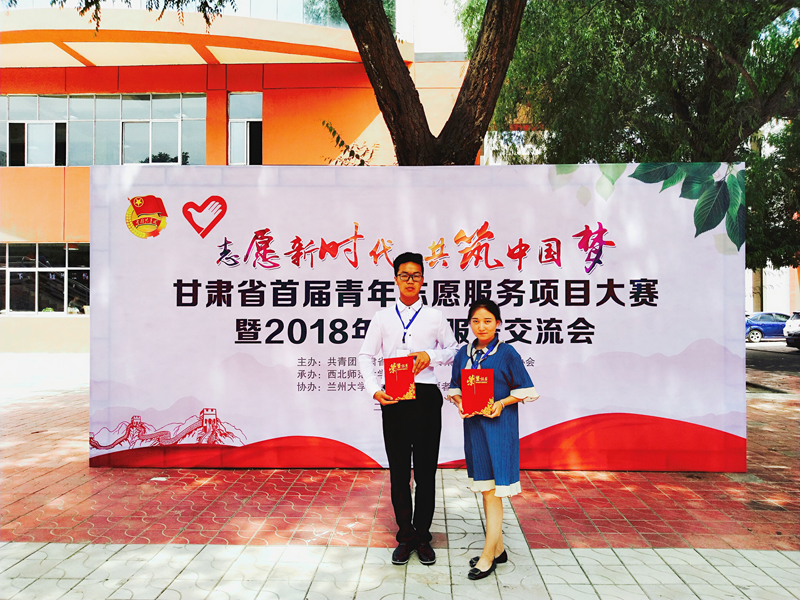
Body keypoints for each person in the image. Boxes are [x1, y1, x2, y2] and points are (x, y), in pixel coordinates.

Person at [358, 252, 458, 566]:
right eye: (404, 275)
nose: (410, 280)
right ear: (396, 279)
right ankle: (405, 536)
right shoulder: (382, 317)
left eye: (416, 275)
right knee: (400, 473)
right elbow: (364, 356)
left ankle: (423, 536)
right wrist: (375, 390)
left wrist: (431, 355)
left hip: (426, 397)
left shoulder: (435, 317)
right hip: (395, 398)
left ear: (423, 279)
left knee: (426, 473)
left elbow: (454, 350)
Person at [448, 299, 539, 580]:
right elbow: (455, 387)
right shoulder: (464, 353)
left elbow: (525, 389)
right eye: (476, 321)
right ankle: (498, 549)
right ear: (469, 324)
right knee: (486, 487)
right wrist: (460, 403)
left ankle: (488, 556)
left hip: (500, 428)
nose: (482, 326)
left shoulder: (507, 353)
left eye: (488, 321)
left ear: (498, 323)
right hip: (475, 428)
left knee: (494, 492)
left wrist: (501, 403)